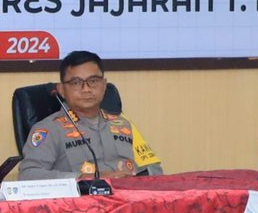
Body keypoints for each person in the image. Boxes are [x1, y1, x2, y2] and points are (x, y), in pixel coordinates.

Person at [17, 50, 164, 181]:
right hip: (80, 202)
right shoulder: (49, 129)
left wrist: (133, 178)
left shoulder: (124, 125)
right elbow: (28, 175)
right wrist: (83, 179)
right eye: (76, 82)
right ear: (61, 90)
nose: (86, 89)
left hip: (127, 200)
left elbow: (154, 171)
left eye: (93, 81)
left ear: (104, 85)